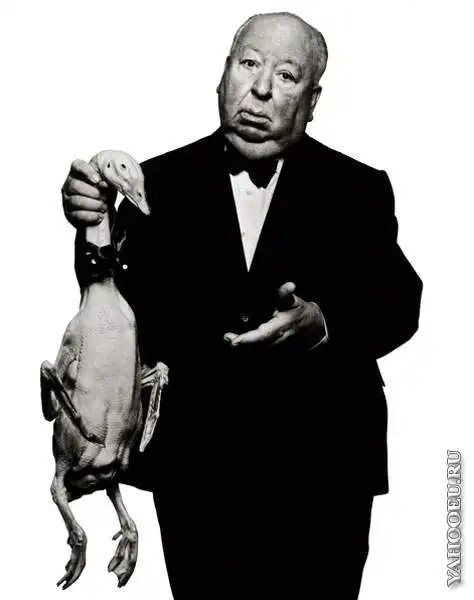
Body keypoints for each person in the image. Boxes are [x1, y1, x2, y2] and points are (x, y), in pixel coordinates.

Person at [61, 11, 423, 600]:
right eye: (249, 64)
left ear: (312, 100)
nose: (260, 89)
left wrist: (323, 324)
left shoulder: (358, 188)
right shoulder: (155, 182)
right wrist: (92, 223)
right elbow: (114, 310)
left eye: (286, 75)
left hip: (324, 474)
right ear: (222, 75)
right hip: (197, 474)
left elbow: (399, 302)